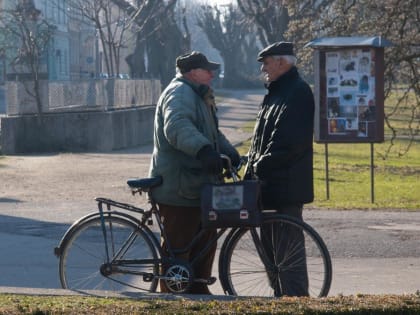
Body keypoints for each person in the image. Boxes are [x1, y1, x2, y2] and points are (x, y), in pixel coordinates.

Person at [148, 51, 240, 294]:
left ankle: (199, 290)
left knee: (204, 241)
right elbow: (177, 127)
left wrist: (231, 154)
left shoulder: (198, 95)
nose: (212, 74)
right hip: (180, 187)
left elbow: (213, 134)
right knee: (179, 249)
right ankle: (172, 298)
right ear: (192, 72)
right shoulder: (179, 93)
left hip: (197, 186)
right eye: (206, 69)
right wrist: (203, 151)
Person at [245, 42, 315, 296]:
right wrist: (250, 162)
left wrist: (259, 164)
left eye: (266, 62)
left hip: (286, 187)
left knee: (288, 259)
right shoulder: (276, 92)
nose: (263, 68)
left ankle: (296, 302)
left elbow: (289, 142)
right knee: (273, 258)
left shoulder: (297, 92)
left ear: (281, 62)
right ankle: (281, 299)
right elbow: (261, 139)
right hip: (269, 187)